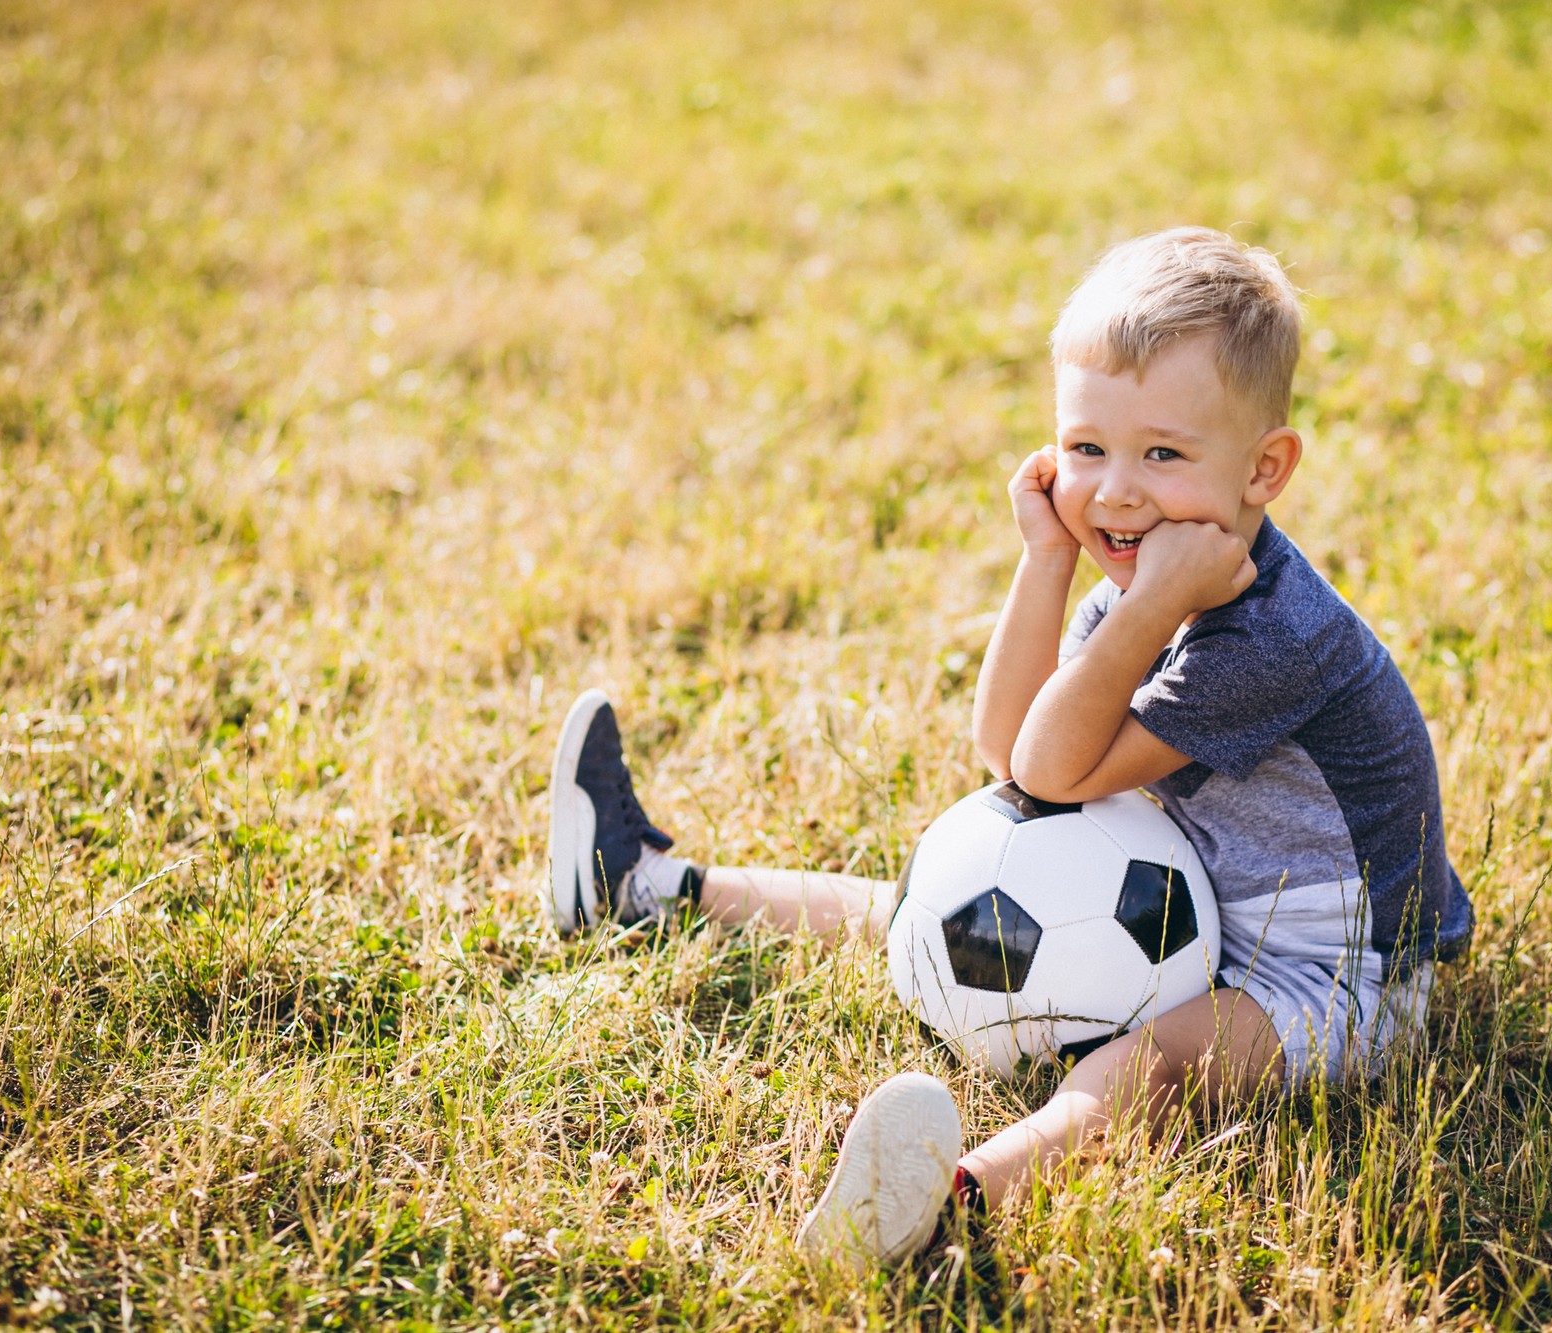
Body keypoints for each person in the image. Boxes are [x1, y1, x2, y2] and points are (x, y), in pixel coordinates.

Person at [545, 227, 1475, 1269]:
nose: (1115, 492)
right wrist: (1046, 563)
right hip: (1199, 896)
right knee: (950, 901)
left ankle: (946, 1206)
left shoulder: (1265, 634)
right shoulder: (1147, 583)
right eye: (1086, 450)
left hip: (1330, 975)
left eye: (1161, 454)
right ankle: (645, 883)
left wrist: (1140, 610)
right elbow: (1009, 754)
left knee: (1152, 1065)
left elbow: (1049, 769)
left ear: (1264, 469)